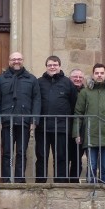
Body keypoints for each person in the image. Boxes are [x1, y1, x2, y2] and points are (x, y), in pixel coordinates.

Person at [0, 52, 40, 183]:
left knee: (21, 153)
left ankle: (19, 180)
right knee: (7, 153)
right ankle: (6, 180)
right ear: (9, 61)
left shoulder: (31, 79)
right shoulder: (1, 79)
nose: (16, 61)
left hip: (24, 121)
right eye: (13, 59)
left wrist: (34, 121)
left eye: (18, 59)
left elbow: (36, 100)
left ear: (22, 61)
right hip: (6, 121)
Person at [73, 63, 105, 184]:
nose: (99, 75)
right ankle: (91, 195)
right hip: (90, 135)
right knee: (91, 167)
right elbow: (78, 113)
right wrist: (77, 133)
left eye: (101, 73)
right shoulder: (85, 92)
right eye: (97, 73)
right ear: (93, 75)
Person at [36, 55, 79, 183]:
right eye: (50, 65)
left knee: (61, 157)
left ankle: (61, 184)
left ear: (59, 66)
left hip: (61, 127)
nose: (52, 67)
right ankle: (40, 183)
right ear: (46, 67)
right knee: (41, 156)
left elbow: (73, 104)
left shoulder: (67, 83)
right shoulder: (39, 82)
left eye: (55, 65)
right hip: (42, 128)